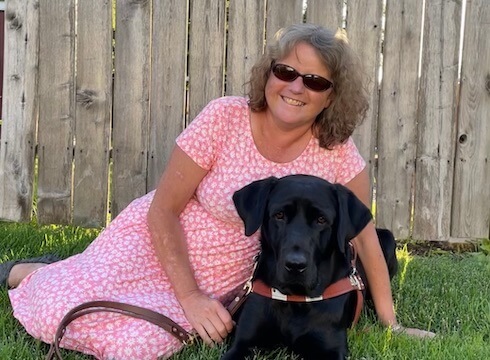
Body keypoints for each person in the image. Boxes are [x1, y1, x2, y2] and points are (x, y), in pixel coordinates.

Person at [1, 23, 434, 360]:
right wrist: (189, 298)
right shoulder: (223, 118)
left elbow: (365, 238)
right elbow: (164, 209)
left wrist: (390, 322)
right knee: (65, 302)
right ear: (269, 75)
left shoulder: (337, 154)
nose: (296, 87)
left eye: (314, 81)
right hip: (157, 245)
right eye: (285, 72)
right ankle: (30, 273)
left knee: (135, 347)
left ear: (330, 97)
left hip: (223, 278)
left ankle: (52, 272)